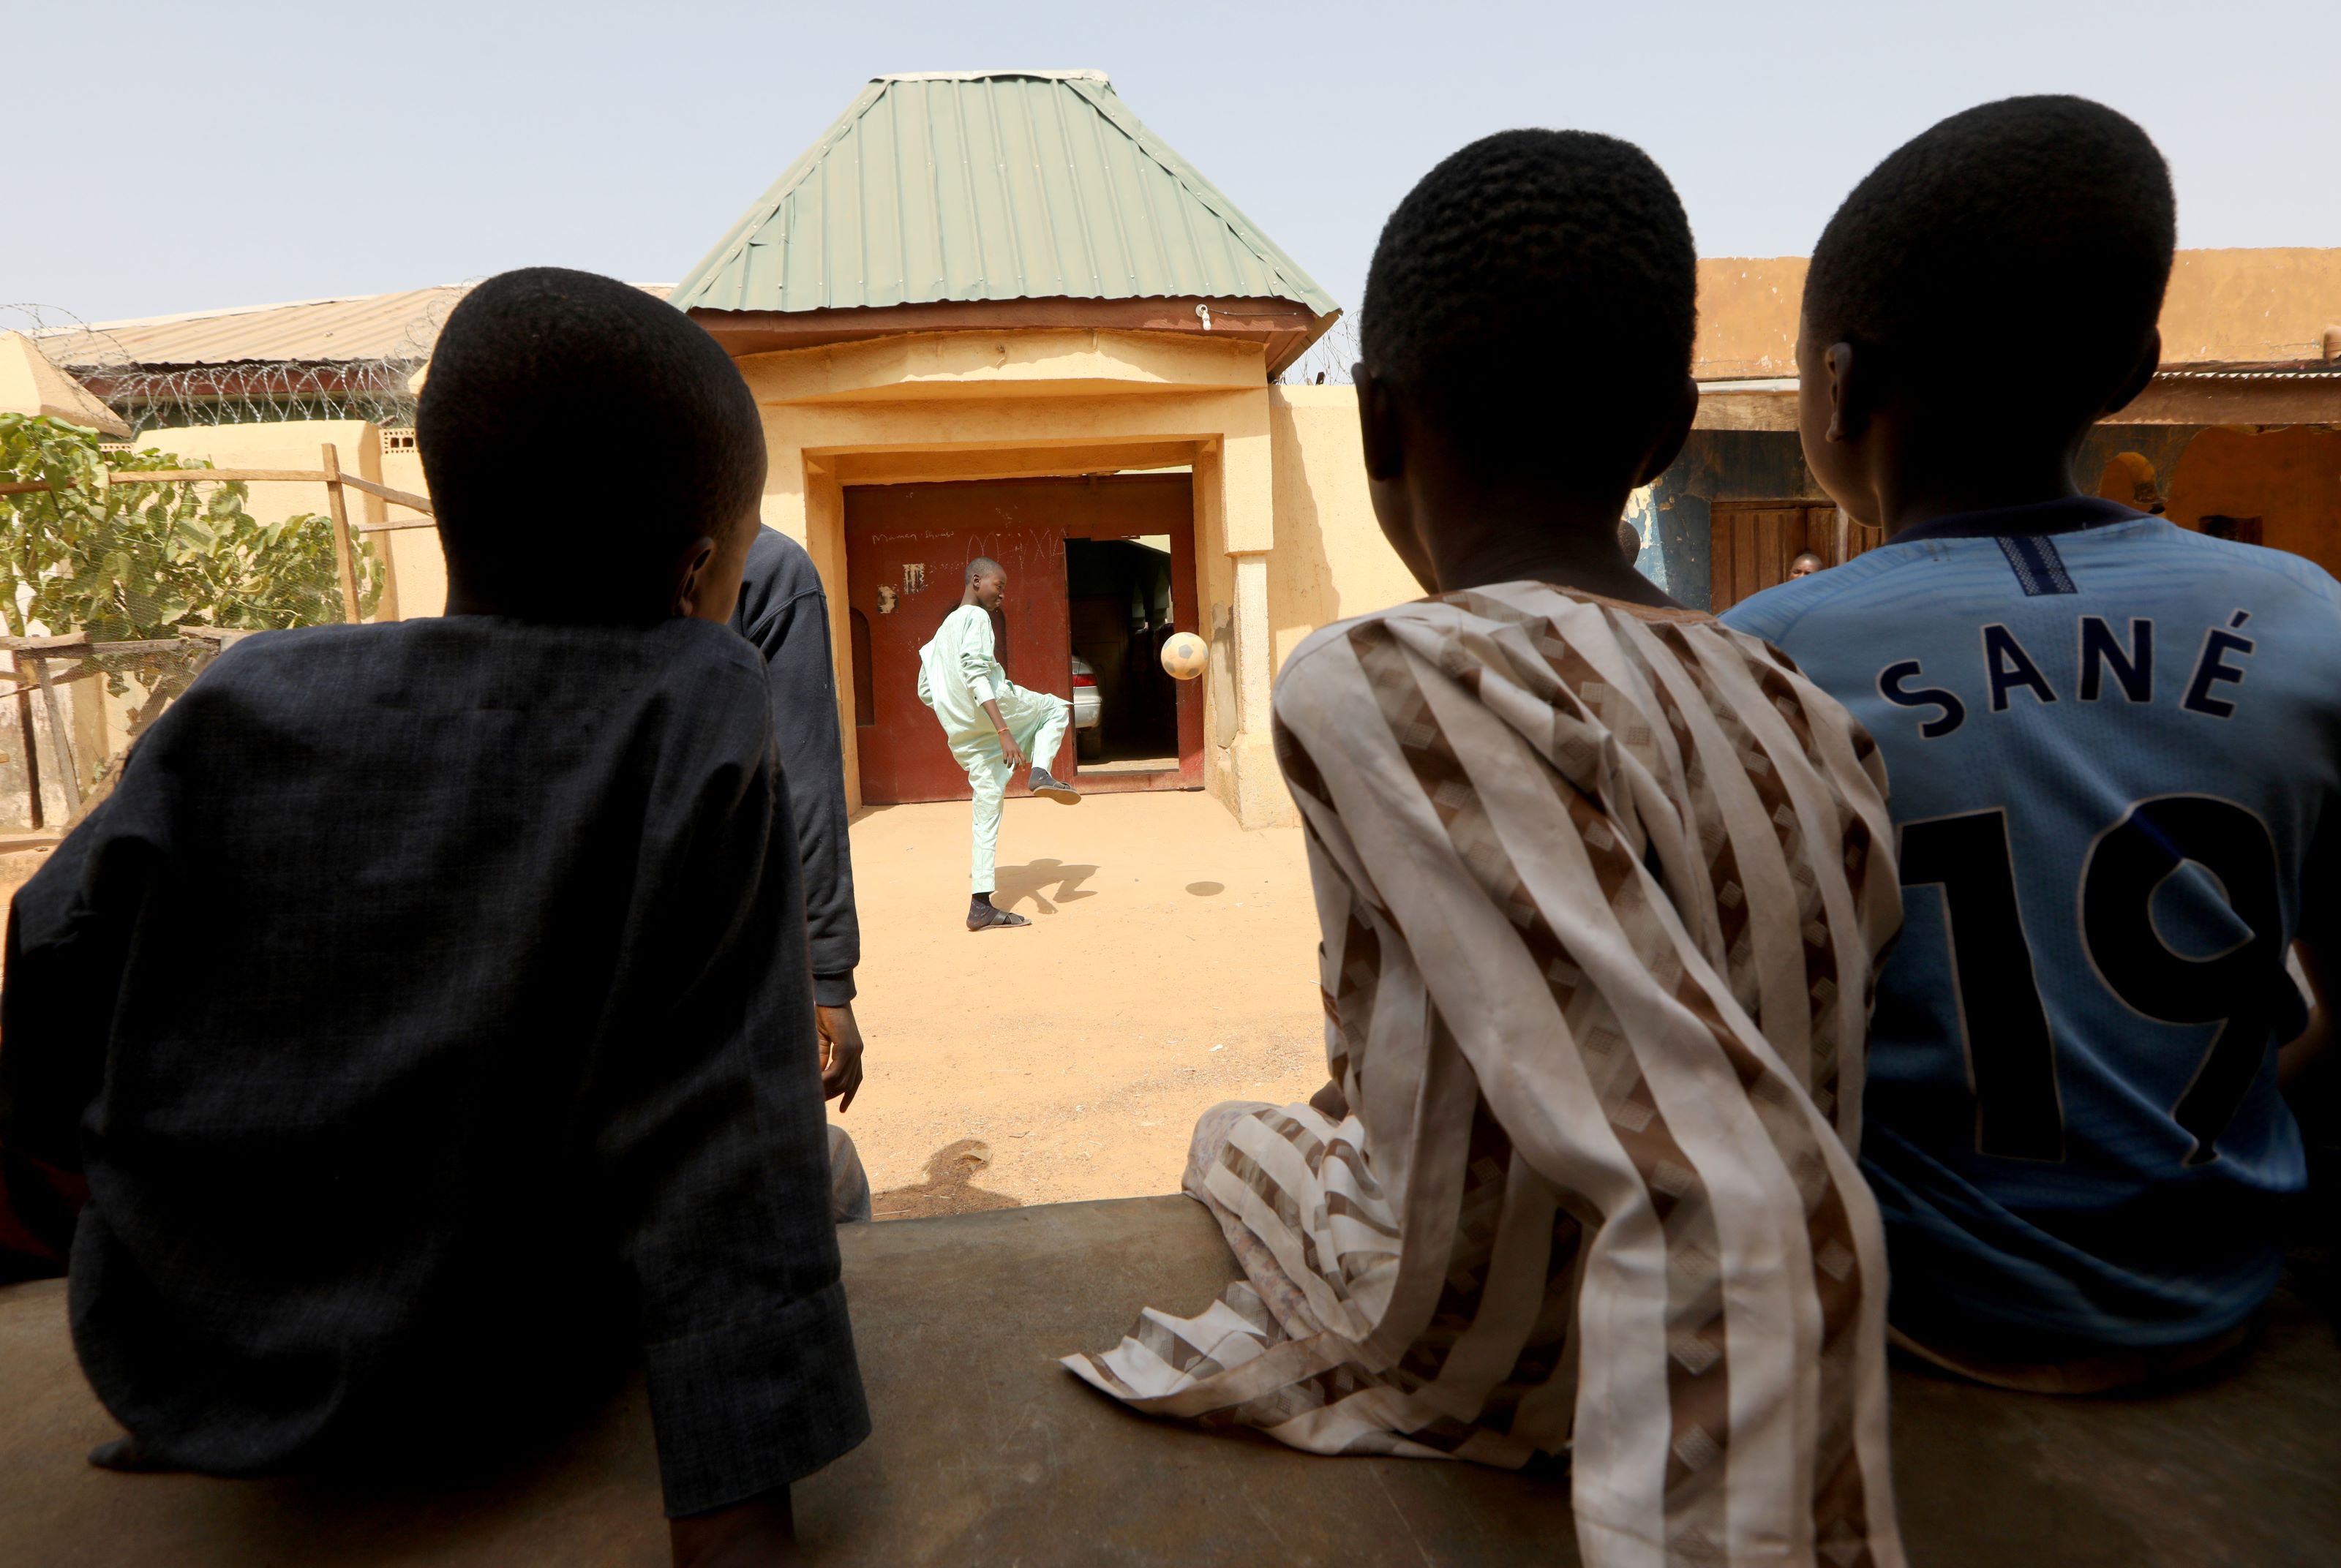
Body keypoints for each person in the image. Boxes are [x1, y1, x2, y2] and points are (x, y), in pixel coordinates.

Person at [1069, 130, 1906, 1568]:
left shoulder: (1391, 675)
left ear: (1381, 423)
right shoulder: (1800, 703)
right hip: (1689, 1265)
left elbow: (1734, 1184)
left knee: (1235, 1137)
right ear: (1664, 433)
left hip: (1519, 1368)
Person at [0, 268, 866, 1563]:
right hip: (493, 1368)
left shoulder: (242, 697)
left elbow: (49, 951)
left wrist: (178, 1222)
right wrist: (735, 1515)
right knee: (842, 1179)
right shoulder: (693, 706)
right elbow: (725, 1154)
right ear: (698, 571)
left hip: (199, 1359)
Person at [1721, 97, 2341, 1392]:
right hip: (2221, 1293)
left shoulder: (1764, 658)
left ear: (1839, 385)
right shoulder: (2307, 624)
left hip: (1918, 1318)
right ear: (2133, 369)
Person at [730, 526, 873, 1221]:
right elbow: (805, 786)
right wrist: (828, 977)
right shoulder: (758, 562)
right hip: (715, 976)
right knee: (832, 1176)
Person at [916, 557, 1080, 932]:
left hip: (965, 736)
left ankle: (980, 906)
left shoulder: (940, 634)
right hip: (995, 714)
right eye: (998, 586)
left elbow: (926, 690)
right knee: (1055, 708)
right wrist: (1003, 730)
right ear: (976, 581)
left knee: (985, 812)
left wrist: (958, 714)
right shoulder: (976, 619)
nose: (1002, 595)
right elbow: (976, 672)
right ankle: (1040, 772)